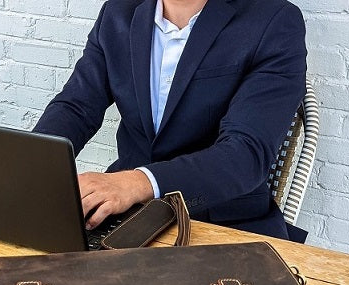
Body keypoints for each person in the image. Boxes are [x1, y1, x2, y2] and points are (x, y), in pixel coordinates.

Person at [33, 0, 307, 240]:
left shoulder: (274, 21)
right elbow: (76, 107)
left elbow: (246, 154)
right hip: (127, 217)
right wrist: (34, 168)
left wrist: (134, 183)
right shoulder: (118, 13)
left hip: (222, 221)